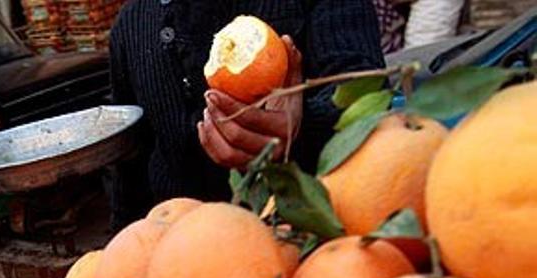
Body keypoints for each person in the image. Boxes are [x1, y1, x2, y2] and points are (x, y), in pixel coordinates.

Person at [109, 1, 386, 226]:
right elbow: (130, 170)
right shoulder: (131, 27)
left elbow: (366, 90)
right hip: (183, 263)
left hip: (315, 240)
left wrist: (305, 125)